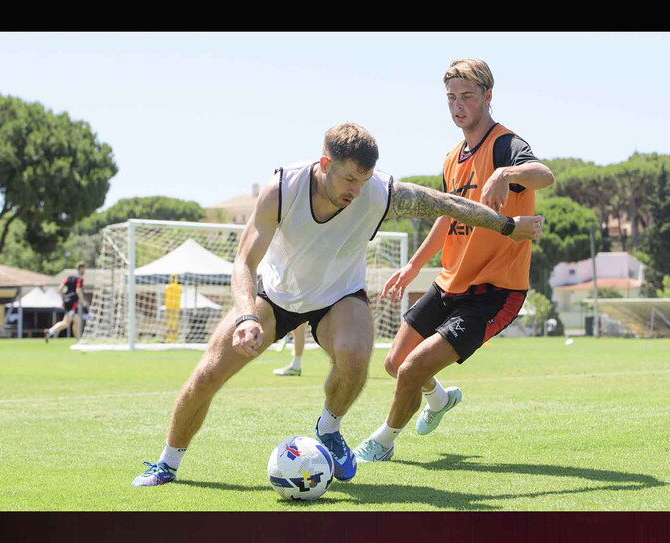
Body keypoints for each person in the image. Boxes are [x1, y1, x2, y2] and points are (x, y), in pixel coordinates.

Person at [131, 122, 544, 487]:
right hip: (275, 296)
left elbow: (446, 204)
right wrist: (244, 317)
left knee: (355, 354)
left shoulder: (379, 193)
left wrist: (508, 226)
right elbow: (244, 261)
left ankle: (329, 429)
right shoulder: (283, 189)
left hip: (339, 296)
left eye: (363, 180)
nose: (356, 190)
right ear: (325, 163)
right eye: (349, 179)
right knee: (207, 375)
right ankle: (168, 463)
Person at [354, 59, 555, 462]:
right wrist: (413, 266)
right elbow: (447, 217)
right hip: (449, 282)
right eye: (451, 98)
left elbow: (544, 174)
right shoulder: (451, 158)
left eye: (467, 96)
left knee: (412, 371)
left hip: (494, 292)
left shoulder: (505, 144)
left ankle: (382, 442)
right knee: (395, 365)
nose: (458, 105)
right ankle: (441, 400)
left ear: (487, 96)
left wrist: (503, 175)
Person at [44, 262, 86, 342]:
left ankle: (79, 341)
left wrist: (64, 298)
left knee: (76, 321)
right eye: (84, 269)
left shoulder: (69, 277)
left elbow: (60, 288)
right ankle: (49, 331)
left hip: (67, 301)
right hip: (73, 302)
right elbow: (78, 290)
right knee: (66, 323)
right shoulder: (79, 279)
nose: (85, 271)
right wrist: (83, 301)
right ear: (80, 269)